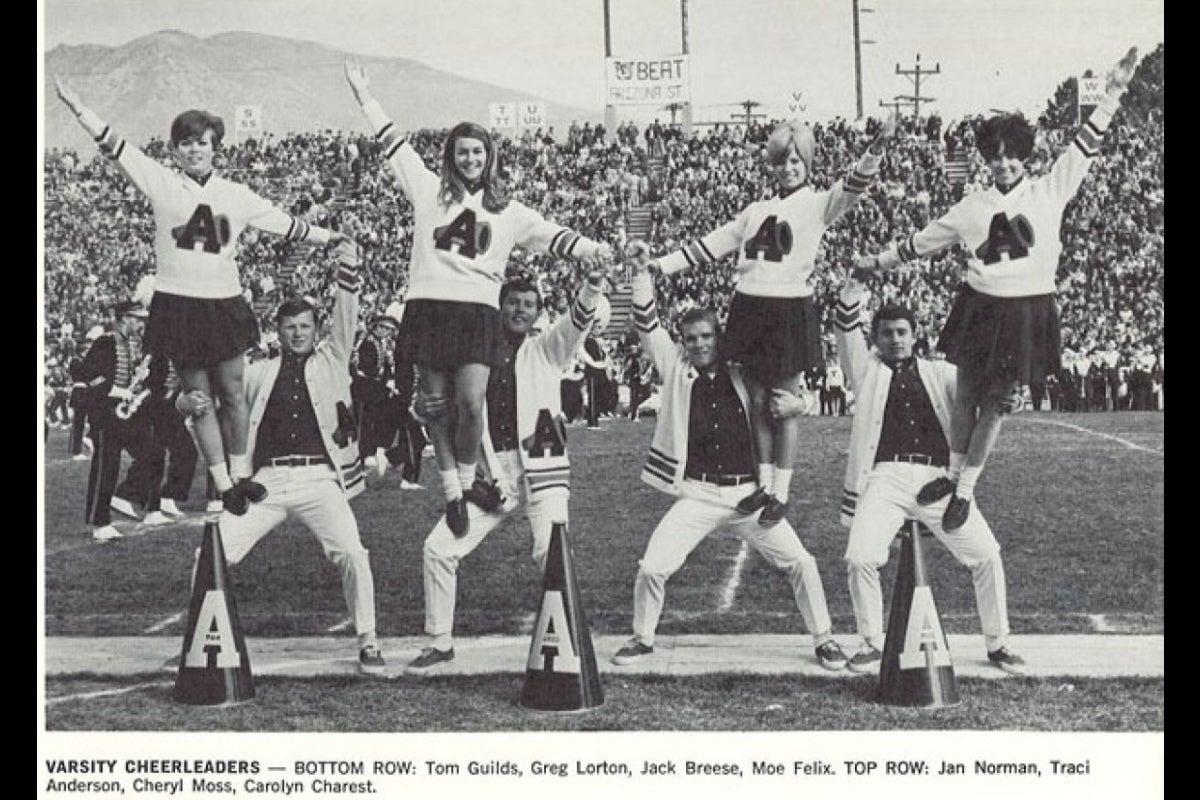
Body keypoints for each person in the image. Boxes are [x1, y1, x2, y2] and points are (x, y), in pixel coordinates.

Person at [855, 47, 1138, 531]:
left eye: (1011, 154)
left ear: (1024, 154)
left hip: (1027, 309)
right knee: (965, 396)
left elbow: (1086, 145)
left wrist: (1113, 91)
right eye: (996, 155)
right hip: (980, 306)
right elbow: (921, 243)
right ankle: (949, 474)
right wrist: (875, 263)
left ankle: (965, 490)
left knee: (998, 404)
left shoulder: (1052, 189)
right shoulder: (971, 205)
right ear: (987, 158)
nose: (1003, 163)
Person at [55, 77, 349, 519]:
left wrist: (329, 236)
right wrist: (79, 108)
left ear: (216, 148)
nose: (195, 150)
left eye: (203, 143)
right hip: (180, 304)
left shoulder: (235, 194)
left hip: (224, 301)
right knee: (198, 400)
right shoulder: (160, 182)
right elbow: (116, 145)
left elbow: (282, 222)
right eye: (186, 143)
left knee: (233, 393)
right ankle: (225, 484)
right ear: (175, 151)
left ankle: (241, 472)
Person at [344, 59, 612, 538]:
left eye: (478, 153)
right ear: (451, 157)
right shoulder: (427, 189)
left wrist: (595, 248)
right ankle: (453, 491)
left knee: (471, 403)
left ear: (490, 159)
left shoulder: (508, 211)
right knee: (435, 404)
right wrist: (365, 97)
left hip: (477, 312)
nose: (470, 160)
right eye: (463, 152)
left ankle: (467, 482)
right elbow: (392, 145)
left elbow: (553, 236)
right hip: (428, 305)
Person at [634, 112, 895, 527]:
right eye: (782, 162)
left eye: (797, 162)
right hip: (748, 308)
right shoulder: (756, 210)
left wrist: (875, 151)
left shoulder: (817, 204)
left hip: (789, 308)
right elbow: (714, 243)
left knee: (783, 405)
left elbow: (853, 188)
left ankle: (781, 493)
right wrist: (660, 267)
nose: (789, 169)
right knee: (755, 401)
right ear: (771, 165)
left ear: (808, 165)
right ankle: (764, 484)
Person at [771, 275, 1025, 674]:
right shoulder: (864, 370)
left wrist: (1009, 396)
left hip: (937, 477)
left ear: (914, 334)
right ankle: (871, 642)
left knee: (986, 555)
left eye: (902, 332)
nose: (895, 339)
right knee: (859, 557)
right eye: (886, 332)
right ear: (874, 338)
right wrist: (856, 287)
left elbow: (979, 394)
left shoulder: (940, 372)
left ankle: (998, 643)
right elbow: (844, 327)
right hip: (884, 477)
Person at [610, 251, 848, 671]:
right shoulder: (676, 368)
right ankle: (643, 637)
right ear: (683, 342)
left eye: (706, 336)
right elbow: (647, 322)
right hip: (698, 493)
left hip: (748, 494)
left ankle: (824, 638)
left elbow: (788, 397)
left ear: (718, 337)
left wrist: (805, 403)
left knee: (802, 563)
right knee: (652, 567)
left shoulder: (744, 371)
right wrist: (642, 275)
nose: (699, 344)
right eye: (691, 338)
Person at [176, 238, 386, 675]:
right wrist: (185, 405)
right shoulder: (259, 371)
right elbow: (214, 405)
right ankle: (201, 636)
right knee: (212, 552)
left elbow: (347, 312)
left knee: (353, 552)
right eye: (290, 327)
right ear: (279, 330)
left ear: (316, 327)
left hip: (320, 480)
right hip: (266, 481)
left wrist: (348, 259)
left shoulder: (334, 359)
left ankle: (368, 640)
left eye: (305, 325)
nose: (298, 333)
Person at [405, 270, 605, 672]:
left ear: (538, 314)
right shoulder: (470, 357)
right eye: (512, 302)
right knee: (439, 548)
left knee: (551, 553)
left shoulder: (547, 349)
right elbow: (434, 405)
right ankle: (440, 642)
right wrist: (417, 408)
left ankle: (570, 643)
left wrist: (594, 284)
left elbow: (578, 320)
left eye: (528, 304)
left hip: (543, 467)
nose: (519, 310)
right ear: (497, 306)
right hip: (489, 472)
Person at [74, 300, 152, 541]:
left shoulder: (128, 344)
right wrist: (116, 391)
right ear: (124, 318)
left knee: (147, 453)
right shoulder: (106, 341)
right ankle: (100, 523)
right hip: (104, 413)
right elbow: (87, 374)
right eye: (137, 319)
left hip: (121, 413)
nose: (141, 323)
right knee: (106, 466)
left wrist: (139, 379)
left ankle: (124, 494)